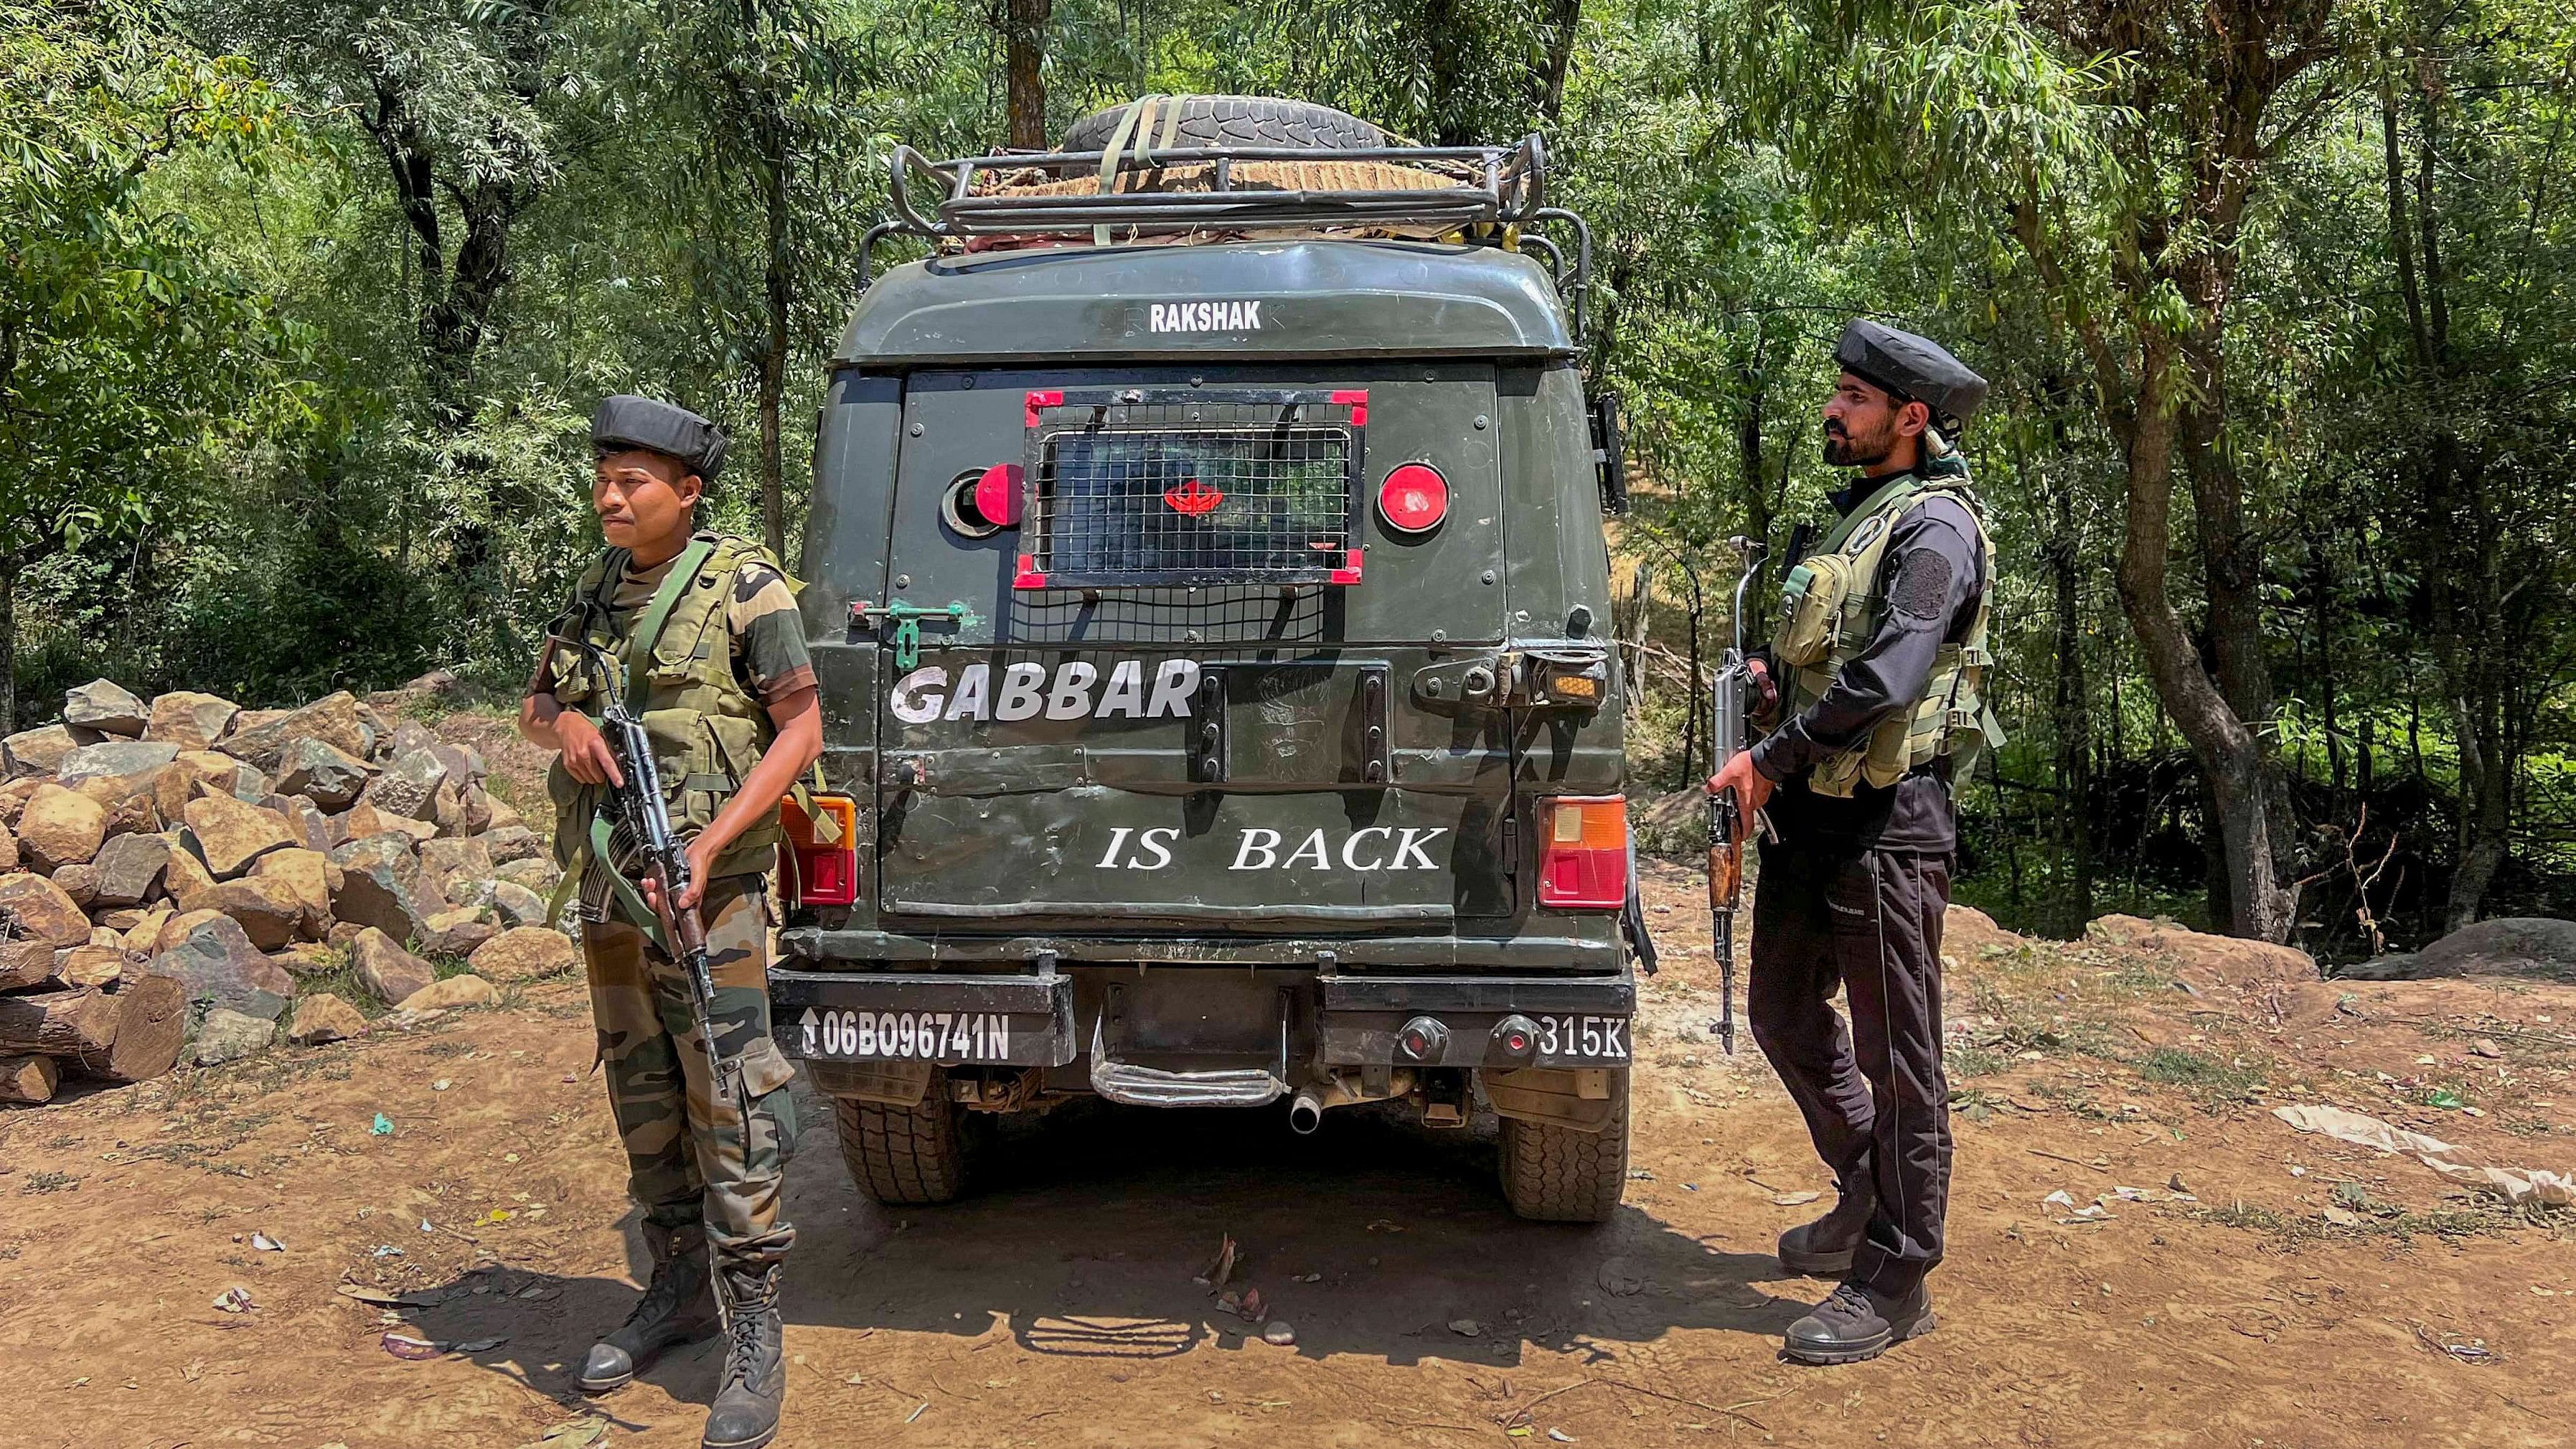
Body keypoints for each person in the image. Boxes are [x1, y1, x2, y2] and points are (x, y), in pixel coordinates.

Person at [518, 395, 823, 1449]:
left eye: (632, 481)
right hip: (613, 888)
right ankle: (676, 1292)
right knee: (641, 1090)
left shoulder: (746, 587)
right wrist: (565, 729)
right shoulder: (596, 587)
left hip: (712, 900)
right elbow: (533, 705)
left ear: (686, 492)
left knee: (730, 1102)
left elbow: (801, 726)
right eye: (602, 479)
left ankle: (751, 1329)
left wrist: (706, 845)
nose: (609, 497)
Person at [1705, 321, 1998, 1366]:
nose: (1833, 411)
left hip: (1886, 823)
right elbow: (1826, 660)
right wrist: (1764, 696)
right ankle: (1865, 1189)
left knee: (1899, 1057)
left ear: (1909, 417)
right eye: (1836, 394)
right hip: (1812, 814)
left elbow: (1890, 678)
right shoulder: (1851, 521)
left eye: (1854, 399)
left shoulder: (1936, 530)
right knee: (1782, 1010)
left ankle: (1897, 1274)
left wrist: (1767, 761)